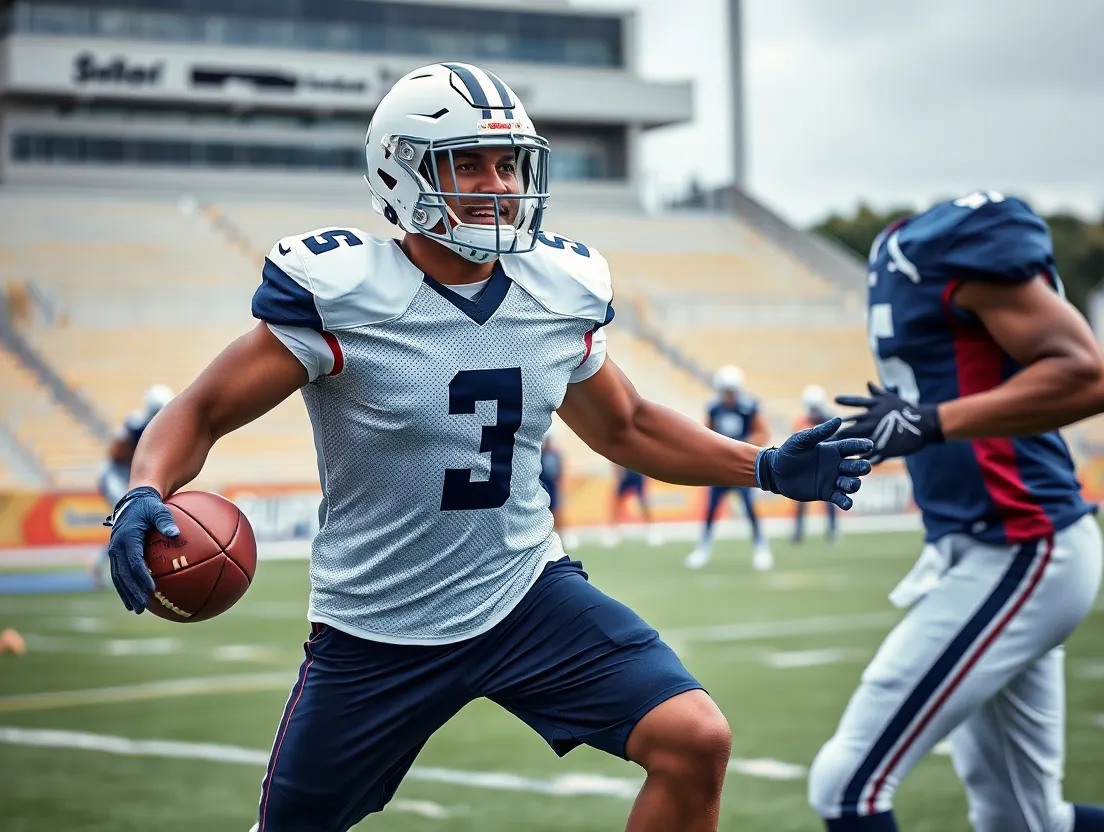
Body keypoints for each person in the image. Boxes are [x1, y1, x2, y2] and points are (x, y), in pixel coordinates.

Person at [102, 62, 872, 832]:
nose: (498, 185)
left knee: (694, 739)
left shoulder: (556, 289)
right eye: (467, 163)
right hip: (377, 624)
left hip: (524, 594)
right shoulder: (344, 295)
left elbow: (627, 426)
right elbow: (201, 411)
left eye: (508, 164)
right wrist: (145, 487)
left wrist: (763, 466)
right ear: (400, 171)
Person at [815, 191, 1104, 832]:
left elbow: (1089, 378)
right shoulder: (896, 250)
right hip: (978, 543)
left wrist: (931, 421)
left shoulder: (950, 243)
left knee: (847, 785)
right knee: (1023, 821)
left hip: (1023, 542)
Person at [686, 365, 773, 571]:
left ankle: (761, 548)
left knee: (749, 508)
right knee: (711, 508)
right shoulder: (714, 408)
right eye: (725, 391)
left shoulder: (749, 407)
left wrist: (742, 445)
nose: (728, 395)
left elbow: (763, 433)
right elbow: (706, 434)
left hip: (742, 465)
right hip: (720, 467)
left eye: (731, 391)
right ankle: (703, 548)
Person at [92, 384, 173, 587]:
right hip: (116, 475)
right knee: (130, 518)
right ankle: (103, 563)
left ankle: (106, 562)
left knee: (139, 521)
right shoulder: (135, 424)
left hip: (132, 477)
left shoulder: (164, 428)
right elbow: (116, 453)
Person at [792, 385, 838, 544]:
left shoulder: (830, 420)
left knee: (830, 498)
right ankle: (798, 532)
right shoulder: (802, 421)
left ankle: (832, 530)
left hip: (824, 465)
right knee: (800, 500)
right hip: (806, 466)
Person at [539, 425, 578, 550]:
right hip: (541, 489)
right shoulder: (538, 455)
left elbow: (560, 472)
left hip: (553, 489)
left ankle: (563, 538)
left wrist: (561, 487)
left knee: (558, 514)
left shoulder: (556, 455)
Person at [604, 465, 662, 547]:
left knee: (643, 502)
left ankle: (651, 529)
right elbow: (614, 461)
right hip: (624, 473)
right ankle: (613, 530)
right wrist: (617, 474)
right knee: (616, 501)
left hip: (638, 472)